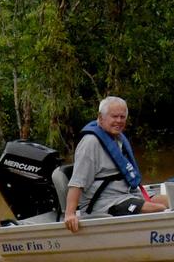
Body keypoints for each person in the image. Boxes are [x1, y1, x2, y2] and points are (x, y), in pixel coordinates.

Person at [64, 96, 167, 233]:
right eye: (114, 116)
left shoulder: (117, 138)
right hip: (104, 203)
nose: (119, 121)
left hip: (127, 194)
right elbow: (77, 182)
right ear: (101, 118)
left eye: (122, 117)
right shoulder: (90, 143)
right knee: (158, 209)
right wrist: (70, 214)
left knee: (171, 201)